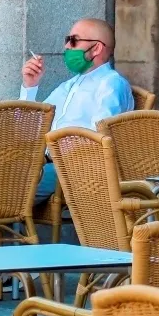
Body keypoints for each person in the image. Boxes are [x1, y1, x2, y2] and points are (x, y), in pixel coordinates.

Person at [20, 18, 135, 203]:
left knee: (5, 191)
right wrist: (30, 87)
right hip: (45, 162)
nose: (66, 46)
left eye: (73, 40)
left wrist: (54, 151)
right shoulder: (69, 85)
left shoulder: (111, 84)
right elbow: (29, 127)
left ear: (96, 48)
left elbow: (99, 137)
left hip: (74, 169)